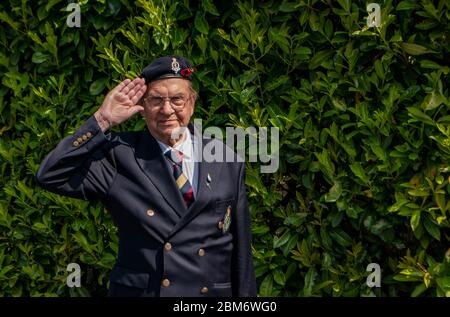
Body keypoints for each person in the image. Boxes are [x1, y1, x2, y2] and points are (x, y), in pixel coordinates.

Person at [35, 56, 257, 297]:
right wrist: (102, 120)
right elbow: (51, 174)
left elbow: (241, 253)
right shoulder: (119, 156)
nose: (167, 109)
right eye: (156, 100)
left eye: (177, 99)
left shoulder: (224, 158)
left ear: (192, 103)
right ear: (142, 106)